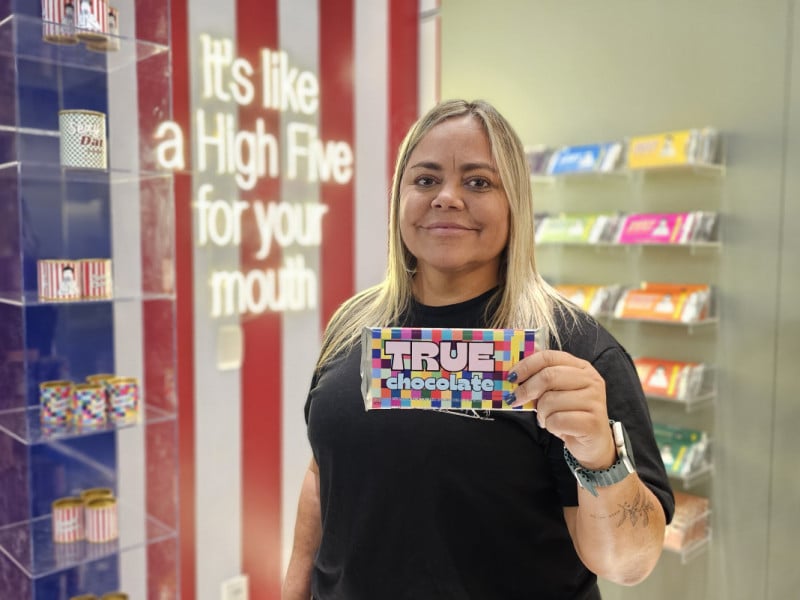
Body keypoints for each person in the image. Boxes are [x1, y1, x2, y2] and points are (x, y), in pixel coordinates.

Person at [283, 99, 674, 599]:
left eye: (478, 182)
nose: (447, 197)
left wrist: (601, 458)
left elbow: (630, 563)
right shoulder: (351, 326)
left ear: (515, 203)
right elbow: (323, 475)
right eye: (425, 180)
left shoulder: (574, 351)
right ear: (398, 198)